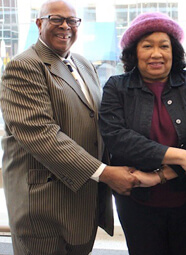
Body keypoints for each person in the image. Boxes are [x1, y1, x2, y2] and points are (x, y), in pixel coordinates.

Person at [0, 0, 140, 254]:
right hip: (44, 208)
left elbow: (98, 122)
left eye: (72, 21)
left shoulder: (84, 64)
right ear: (39, 23)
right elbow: (41, 135)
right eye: (56, 19)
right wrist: (105, 173)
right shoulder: (23, 66)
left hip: (82, 202)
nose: (65, 26)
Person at [98, 12, 186, 255]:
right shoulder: (116, 86)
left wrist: (160, 175)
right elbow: (117, 138)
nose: (156, 53)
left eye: (164, 46)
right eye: (147, 46)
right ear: (134, 52)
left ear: (173, 51)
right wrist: (180, 156)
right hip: (136, 201)